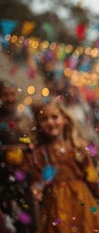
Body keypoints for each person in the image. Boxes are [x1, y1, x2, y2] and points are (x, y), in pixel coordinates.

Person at [27, 99, 99, 232]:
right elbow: (38, 179)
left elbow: (91, 175)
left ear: (64, 119)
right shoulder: (40, 153)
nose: (50, 122)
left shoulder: (77, 147)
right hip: (55, 205)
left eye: (54, 117)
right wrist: (37, 189)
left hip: (81, 202)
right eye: (44, 119)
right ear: (39, 125)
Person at [0, 80, 37, 233]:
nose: (9, 98)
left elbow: (33, 142)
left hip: (24, 175)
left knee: (27, 212)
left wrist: (30, 148)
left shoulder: (24, 119)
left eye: (12, 94)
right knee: (8, 214)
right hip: (3, 176)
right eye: (5, 95)